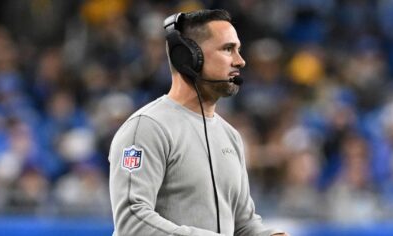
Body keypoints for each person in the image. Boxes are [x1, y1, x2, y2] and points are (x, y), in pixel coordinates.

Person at [108, 9, 289, 236]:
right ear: (188, 57)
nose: (240, 61)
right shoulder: (147, 128)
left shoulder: (230, 135)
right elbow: (132, 222)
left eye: (238, 50)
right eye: (227, 49)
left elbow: (243, 224)